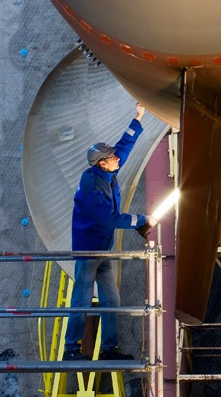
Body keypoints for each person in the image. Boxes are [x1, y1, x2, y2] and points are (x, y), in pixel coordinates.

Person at [64, 102, 149, 361]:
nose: (117, 159)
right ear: (102, 163)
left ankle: (109, 349)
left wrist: (138, 118)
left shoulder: (106, 174)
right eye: (112, 158)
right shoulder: (92, 186)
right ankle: (70, 350)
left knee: (111, 299)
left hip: (102, 249)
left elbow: (124, 147)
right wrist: (142, 219)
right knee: (81, 298)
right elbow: (110, 218)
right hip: (88, 250)